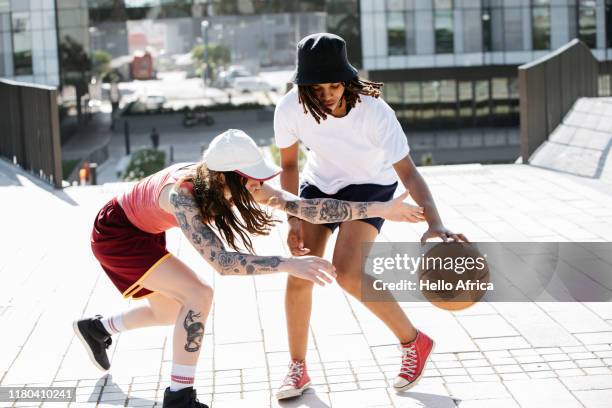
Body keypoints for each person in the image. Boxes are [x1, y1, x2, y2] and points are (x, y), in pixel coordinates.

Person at [73, 129, 426, 408]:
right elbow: (223, 263)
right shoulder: (182, 195)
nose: (259, 185)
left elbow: (308, 209)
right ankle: (179, 398)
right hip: (117, 235)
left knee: (170, 311)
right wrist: (290, 264)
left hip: (142, 232)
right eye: (251, 178)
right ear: (225, 176)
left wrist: (377, 208)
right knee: (198, 295)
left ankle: (98, 328)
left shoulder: (238, 184)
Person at [273, 33, 469, 400]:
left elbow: (409, 172)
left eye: (335, 84)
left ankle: (414, 343)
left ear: (347, 80)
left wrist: (435, 221)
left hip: (370, 188)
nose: (328, 94)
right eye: (318, 88)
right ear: (303, 87)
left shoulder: (375, 111)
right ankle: (297, 368)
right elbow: (288, 166)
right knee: (301, 269)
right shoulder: (289, 109)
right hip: (319, 186)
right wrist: (293, 220)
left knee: (347, 272)